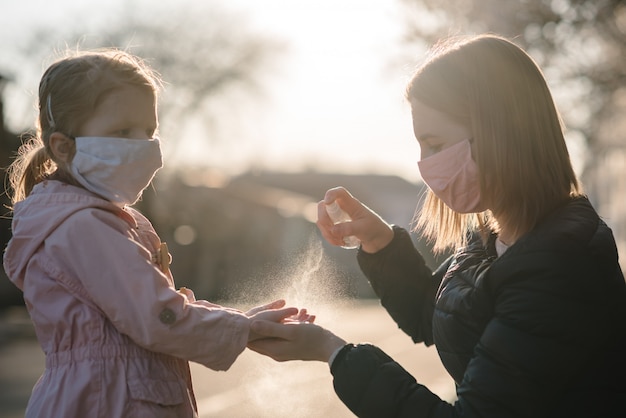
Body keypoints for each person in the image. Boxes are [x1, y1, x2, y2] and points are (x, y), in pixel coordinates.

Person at [248, 34, 626, 417]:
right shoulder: (494, 236)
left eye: (434, 144)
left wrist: (331, 352)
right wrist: (379, 240)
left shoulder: (557, 264)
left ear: (499, 132)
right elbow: (437, 316)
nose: (425, 167)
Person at [3, 49, 312, 418]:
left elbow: (153, 306)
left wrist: (241, 322)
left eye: (149, 131)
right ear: (63, 147)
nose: (143, 145)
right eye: (122, 131)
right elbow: (156, 318)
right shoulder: (85, 227)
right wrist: (242, 329)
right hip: (108, 403)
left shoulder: (102, 219)